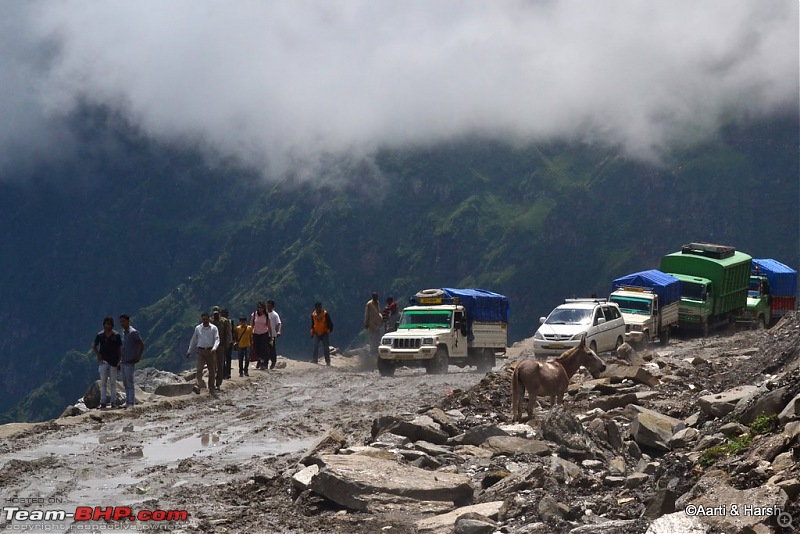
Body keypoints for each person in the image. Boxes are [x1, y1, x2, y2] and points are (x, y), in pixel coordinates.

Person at [186, 312, 220, 396]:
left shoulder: (213, 328)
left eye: (206, 319)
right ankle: (198, 386)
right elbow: (193, 340)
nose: (205, 321)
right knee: (199, 369)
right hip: (200, 351)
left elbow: (217, 339)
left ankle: (211, 387)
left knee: (212, 370)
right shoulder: (198, 328)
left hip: (210, 351)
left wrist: (214, 348)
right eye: (203, 319)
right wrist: (189, 351)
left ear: (209, 319)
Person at [92, 316, 123, 409]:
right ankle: (103, 402)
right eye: (106, 324)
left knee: (113, 383)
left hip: (114, 361)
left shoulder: (116, 336)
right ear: (104, 324)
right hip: (104, 361)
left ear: (112, 325)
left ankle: (113, 402)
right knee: (103, 382)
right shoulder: (100, 335)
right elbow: (94, 346)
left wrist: (120, 361)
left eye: (109, 324)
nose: (107, 325)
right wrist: (98, 355)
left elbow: (119, 349)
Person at [119, 314, 145, 409]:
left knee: (130, 382)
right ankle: (127, 401)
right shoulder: (124, 333)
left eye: (124, 321)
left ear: (128, 321)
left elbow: (141, 344)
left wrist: (138, 356)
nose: (122, 323)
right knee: (125, 383)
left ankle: (131, 402)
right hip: (123, 361)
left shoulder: (133, 332)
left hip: (130, 361)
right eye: (121, 322)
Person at [210, 306, 231, 389]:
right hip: (211, 346)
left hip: (221, 345)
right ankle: (211, 382)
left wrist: (227, 345)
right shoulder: (210, 321)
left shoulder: (224, 321)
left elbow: (228, 333)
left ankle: (218, 382)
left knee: (220, 364)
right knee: (212, 365)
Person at [250, 301, 271, 370]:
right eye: (259, 307)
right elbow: (252, 324)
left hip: (264, 333)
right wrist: (250, 333)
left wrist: (271, 335)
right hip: (256, 333)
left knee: (263, 347)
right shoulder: (254, 314)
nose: (260, 309)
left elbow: (269, 325)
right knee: (256, 347)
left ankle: (262, 362)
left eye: (261, 307)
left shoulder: (266, 315)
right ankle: (259, 359)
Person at [364, 291, 383, 358]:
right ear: (372, 297)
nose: (375, 298)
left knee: (377, 337)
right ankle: (372, 351)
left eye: (376, 296)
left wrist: (381, 319)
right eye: (374, 296)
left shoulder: (377, 303)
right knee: (372, 337)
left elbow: (378, 312)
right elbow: (367, 314)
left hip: (377, 323)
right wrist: (366, 323)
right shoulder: (369, 304)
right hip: (371, 323)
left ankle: (376, 350)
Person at [266, 300, 282, 370]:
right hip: (264, 333)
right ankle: (264, 363)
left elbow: (279, 323)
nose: (268, 307)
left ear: (272, 306)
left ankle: (273, 361)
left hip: (272, 335)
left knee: (272, 349)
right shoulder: (265, 313)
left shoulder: (275, 314)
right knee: (264, 348)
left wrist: (279, 331)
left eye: (269, 305)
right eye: (267, 305)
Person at [220, 308, 234, 379]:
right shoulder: (219, 322)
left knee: (228, 358)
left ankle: (228, 373)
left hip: (229, 342)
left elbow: (233, 332)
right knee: (222, 358)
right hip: (221, 343)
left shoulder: (231, 322)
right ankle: (223, 373)